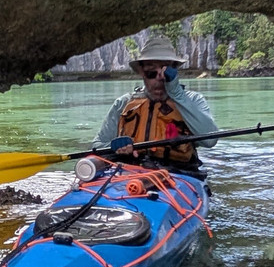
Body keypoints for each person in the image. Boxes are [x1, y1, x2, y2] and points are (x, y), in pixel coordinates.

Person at [92, 34, 218, 172]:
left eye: (166, 72)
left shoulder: (193, 101)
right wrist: (115, 146)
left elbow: (210, 140)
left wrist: (176, 94)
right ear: (141, 72)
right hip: (130, 173)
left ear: (175, 70)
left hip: (179, 174)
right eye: (152, 73)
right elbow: (97, 146)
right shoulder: (123, 103)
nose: (159, 79)